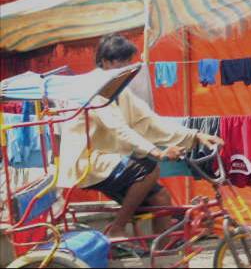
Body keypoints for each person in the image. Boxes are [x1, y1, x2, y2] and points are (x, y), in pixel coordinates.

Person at [59, 34, 224, 239]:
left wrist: (196, 135)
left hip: (111, 158)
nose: (128, 67)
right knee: (149, 169)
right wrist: (157, 152)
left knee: (161, 198)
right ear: (106, 62)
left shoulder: (119, 87)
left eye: (129, 62)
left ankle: (163, 252)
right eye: (122, 62)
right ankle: (118, 227)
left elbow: (149, 120)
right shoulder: (96, 89)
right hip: (88, 162)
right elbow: (118, 128)